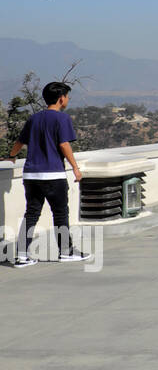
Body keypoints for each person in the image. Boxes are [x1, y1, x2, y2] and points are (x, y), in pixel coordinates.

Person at [3, 81, 92, 266]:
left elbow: (20, 142)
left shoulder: (33, 118)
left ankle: (21, 255)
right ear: (61, 98)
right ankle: (66, 252)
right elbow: (64, 144)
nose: (67, 99)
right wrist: (75, 167)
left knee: (32, 214)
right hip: (53, 175)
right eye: (67, 96)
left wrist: (11, 156)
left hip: (31, 175)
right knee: (60, 213)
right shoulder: (62, 119)